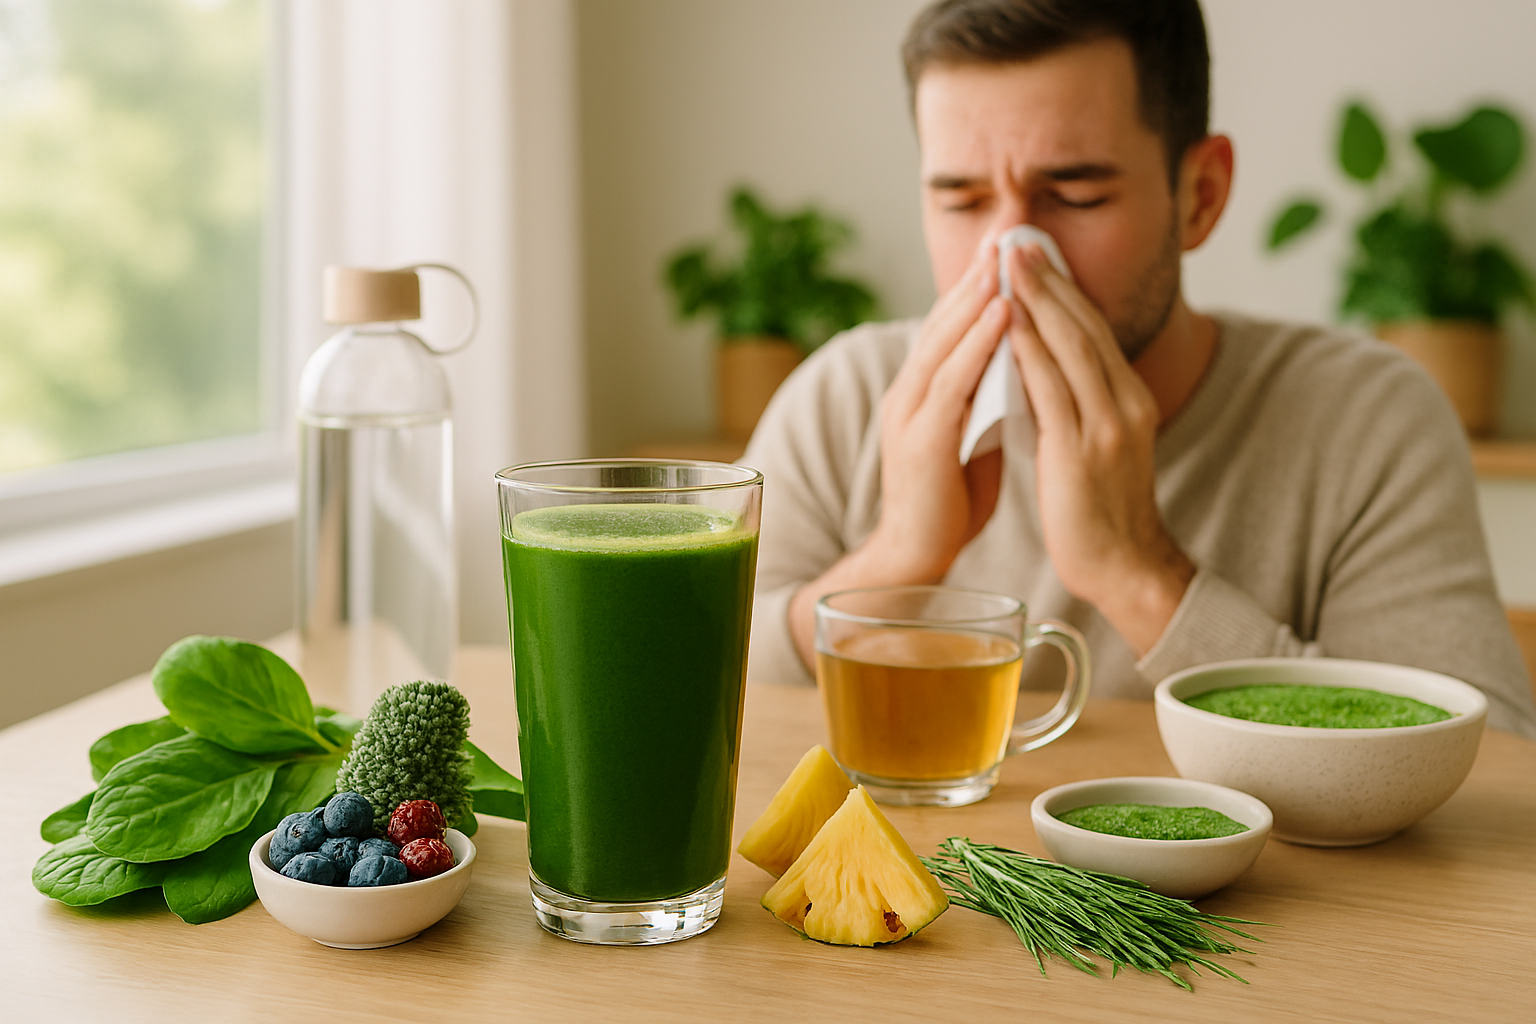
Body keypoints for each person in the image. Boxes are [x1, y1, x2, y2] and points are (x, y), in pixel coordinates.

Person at [741, 0, 1536, 737]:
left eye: (1077, 194)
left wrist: (1141, 572)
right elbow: (684, 684)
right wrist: (893, 564)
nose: (1010, 258)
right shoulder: (843, 398)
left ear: (1201, 195)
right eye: (960, 199)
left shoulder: (1367, 419)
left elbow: (1491, 767)